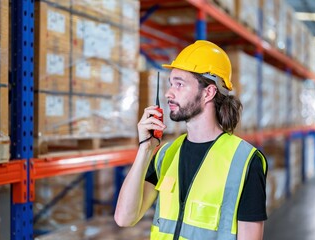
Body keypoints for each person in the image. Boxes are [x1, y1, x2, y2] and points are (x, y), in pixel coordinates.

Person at [114, 40, 268, 240]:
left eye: (180, 84)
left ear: (208, 92)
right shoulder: (166, 154)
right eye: (171, 84)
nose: (169, 93)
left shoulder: (245, 161)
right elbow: (124, 218)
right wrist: (145, 149)